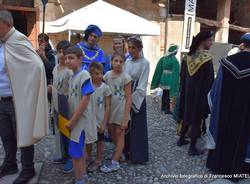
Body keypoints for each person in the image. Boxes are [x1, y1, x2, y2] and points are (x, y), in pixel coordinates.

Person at [0, 10, 49, 183]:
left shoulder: (18, 40)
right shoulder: (2, 43)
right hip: (2, 99)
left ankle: (28, 169)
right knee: (6, 135)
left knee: (23, 134)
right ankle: (10, 163)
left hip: (17, 100)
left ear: (6, 24)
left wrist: (25, 87)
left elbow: (36, 66)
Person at [206, 33, 250, 181]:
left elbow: (215, 92)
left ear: (242, 45)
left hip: (227, 112)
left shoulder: (226, 62)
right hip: (246, 115)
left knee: (224, 130)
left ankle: (218, 165)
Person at [177, 30, 214, 156]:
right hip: (200, 94)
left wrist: (182, 91)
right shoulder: (206, 59)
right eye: (210, 40)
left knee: (186, 113)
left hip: (186, 93)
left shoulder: (187, 57)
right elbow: (209, 81)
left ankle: (181, 139)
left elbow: (181, 76)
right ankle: (192, 148)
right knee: (197, 118)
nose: (212, 43)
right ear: (203, 41)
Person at [64, 46, 96, 184]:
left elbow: (85, 99)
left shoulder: (84, 75)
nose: (67, 61)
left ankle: (80, 179)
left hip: (79, 122)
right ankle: (82, 175)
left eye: (71, 58)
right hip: (75, 120)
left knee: (75, 152)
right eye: (66, 58)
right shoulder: (72, 76)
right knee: (79, 151)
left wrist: (73, 121)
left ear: (80, 59)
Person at [100, 52, 132, 172]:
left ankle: (115, 162)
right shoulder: (107, 75)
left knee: (119, 134)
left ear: (124, 63)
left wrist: (125, 118)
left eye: (121, 61)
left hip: (120, 109)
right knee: (112, 132)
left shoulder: (126, 77)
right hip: (110, 108)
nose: (118, 63)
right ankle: (119, 153)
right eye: (116, 61)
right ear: (111, 62)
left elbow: (129, 98)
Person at [47, 40, 73, 173]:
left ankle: (71, 158)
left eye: (64, 52)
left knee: (67, 132)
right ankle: (62, 153)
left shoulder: (70, 72)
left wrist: (54, 91)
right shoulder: (55, 69)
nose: (61, 55)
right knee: (59, 130)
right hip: (56, 105)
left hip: (67, 106)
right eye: (59, 52)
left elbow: (71, 92)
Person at [123, 36, 150, 163]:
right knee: (125, 125)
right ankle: (125, 151)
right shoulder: (127, 62)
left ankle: (138, 155)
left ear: (139, 48)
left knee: (137, 126)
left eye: (133, 47)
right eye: (129, 48)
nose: (131, 50)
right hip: (125, 95)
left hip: (136, 99)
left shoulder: (145, 63)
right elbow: (123, 79)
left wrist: (131, 100)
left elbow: (142, 85)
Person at [87, 62, 111, 172]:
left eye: (101, 73)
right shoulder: (87, 87)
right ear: (90, 74)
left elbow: (107, 106)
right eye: (96, 74)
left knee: (100, 141)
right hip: (89, 120)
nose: (100, 76)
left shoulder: (105, 88)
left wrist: (104, 123)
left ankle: (98, 159)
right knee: (88, 141)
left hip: (100, 120)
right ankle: (88, 157)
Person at [151, 44, 180, 114]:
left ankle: (163, 107)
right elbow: (176, 72)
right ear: (175, 51)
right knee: (168, 94)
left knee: (164, 93)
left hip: (163, 78)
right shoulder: (174, 60)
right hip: (170, 79)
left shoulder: (163, 58)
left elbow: (158, 69)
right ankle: (167, 109)